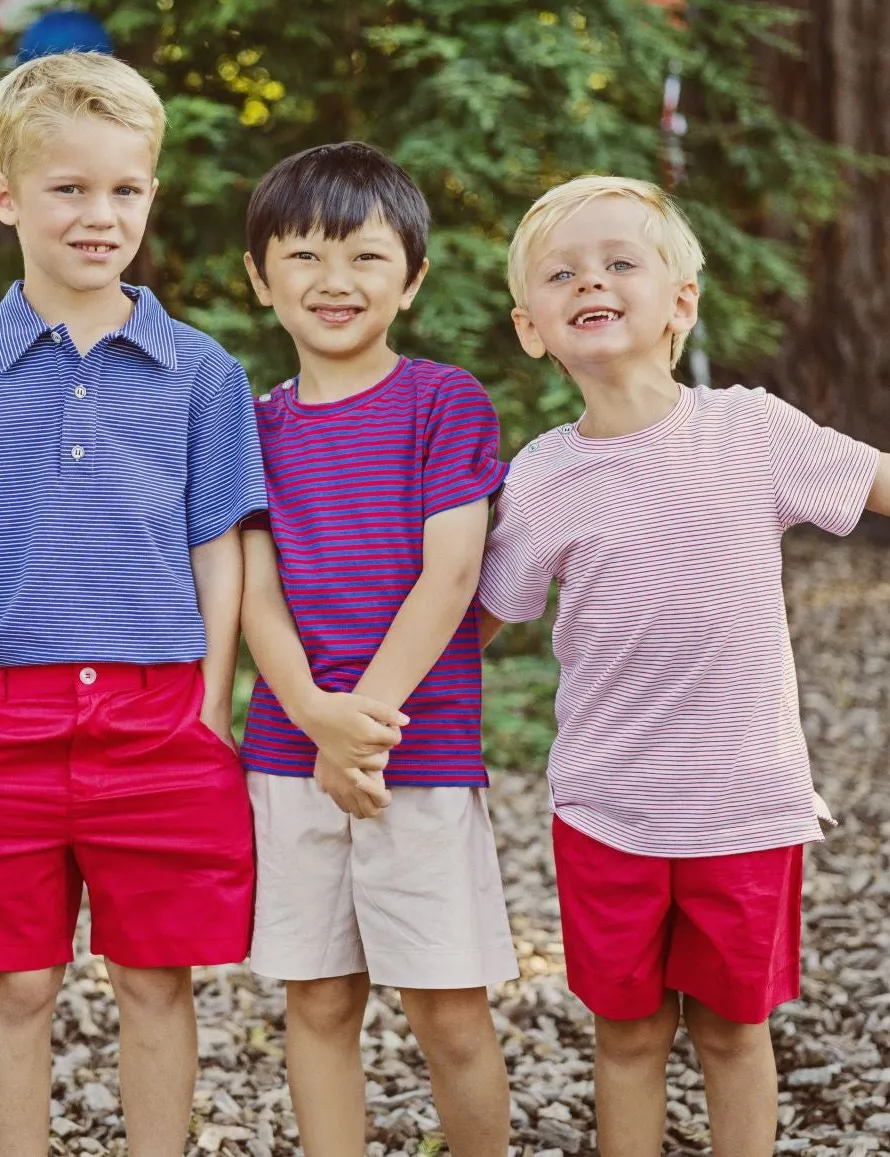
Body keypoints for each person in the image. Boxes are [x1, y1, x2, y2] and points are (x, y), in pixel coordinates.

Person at [479, 174, 890, 1157]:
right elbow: (479, 618)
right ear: (530, 326)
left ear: (680, 304)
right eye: (560, 272)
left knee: (729, 1028)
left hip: (742, 805)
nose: (589, 279)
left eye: (619, 261)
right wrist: (359, 686)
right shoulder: (541, 478)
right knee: (626, 1033)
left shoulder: (749, 430)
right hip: (605, 808)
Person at [0, 51, 265, 1157]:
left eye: (125, 189)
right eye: (69, 188)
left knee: (155, 978)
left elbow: (220, 550)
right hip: (5, 713)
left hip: (161, 714)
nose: (100, 215)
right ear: (6, 196)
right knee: (17, 981)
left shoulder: (203, 371)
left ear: (150, 192)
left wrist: (211, 705)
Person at [239, 142, 517, 1157]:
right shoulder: (250, 423)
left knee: (446, 1005)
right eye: (304, 256)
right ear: (260, 279)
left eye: (363, 255)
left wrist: (360, 732)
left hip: (422, 750)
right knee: (316, 996)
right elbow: (250, 589)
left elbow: (452, 574)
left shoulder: (445, 400)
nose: (334, 280)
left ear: (412, 278)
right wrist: (316, 715)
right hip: (287, 746)